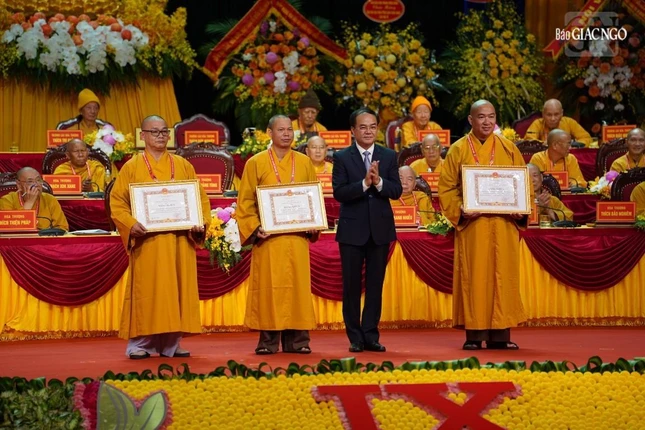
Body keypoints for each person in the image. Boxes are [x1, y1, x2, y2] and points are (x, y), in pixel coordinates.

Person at [110, 115, 211, 359]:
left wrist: (200, 223)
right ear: (142, 135)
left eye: (164, 131)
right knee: (149, 291)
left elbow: (200, 199)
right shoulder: (132, 167)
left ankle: (171, 344)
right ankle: (140, 343)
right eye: (154, 132)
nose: (160, 136)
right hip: (149, 242)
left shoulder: (183, 165)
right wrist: (131, 224)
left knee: (177, 289)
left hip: (179, 240)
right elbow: (118, 203)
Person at [438, 99, 527, 350]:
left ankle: (501, 336)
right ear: (471, 120)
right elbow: (446, 188)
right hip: (474, 226)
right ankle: (475, 335)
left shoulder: (509, 148)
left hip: (504, 224)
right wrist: (461, 211)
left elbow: (523, 185)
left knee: (503, 277)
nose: (487, 122)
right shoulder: (458, 149)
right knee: (475, 278)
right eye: (481, 117)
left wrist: (520, 211)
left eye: (491, 116)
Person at [236, 115, 319, 355]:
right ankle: (267, 342)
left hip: (297, 237)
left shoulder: (304, 162)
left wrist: (314, 223)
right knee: (269, 288)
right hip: (268, 239)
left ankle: (298, 342)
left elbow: (312, 197)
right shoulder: (256, 162)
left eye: (289, 130)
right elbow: (245, 201)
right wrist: (255, 227)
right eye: (281, 130)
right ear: (269, 133)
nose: (286, 134)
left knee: (297, 288)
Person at [332, 107, 402, 353]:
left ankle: (371, 335)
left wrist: (379, 182)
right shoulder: (342, 157)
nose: (368, 131)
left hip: (380, 230)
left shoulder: (388, 156)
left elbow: (397, 191)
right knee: (351, 287)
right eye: (363, 127)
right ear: (353, 130)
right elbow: (339, 192)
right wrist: (364, 183)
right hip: (352, 231)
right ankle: (355, 337)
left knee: (375, 286)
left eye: (373, 126)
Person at [0, 167, 69, 231]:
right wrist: (29, 202)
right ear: (19, 184)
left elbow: (63, 228)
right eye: (30, 181)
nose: (36, 184)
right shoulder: (7, 200)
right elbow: (10, 229)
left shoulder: (50, 199)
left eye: (38, 180)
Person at [525, 99, 592, 145]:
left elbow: (586, 138)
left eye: (556, 114)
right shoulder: (538, 123)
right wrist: (545, 144)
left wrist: (572, 144)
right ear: (543, 114)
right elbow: (529, 141)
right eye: (549, 115)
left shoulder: (569, 122)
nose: (553, 119)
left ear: (561, 113)